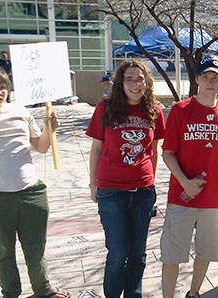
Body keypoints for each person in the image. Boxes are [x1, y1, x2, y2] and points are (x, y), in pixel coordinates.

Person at [0, 64, 70, 298]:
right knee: (3, 251)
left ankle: (42, 288)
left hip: (31, 191)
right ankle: (10, 292)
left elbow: (40, 147)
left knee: (35, 247)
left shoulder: (21, 112)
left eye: (2, 88)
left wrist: (47, 129)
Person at [86, 59, 165, 298]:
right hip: (112, 192)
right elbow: (96, 148)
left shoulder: (155, 111)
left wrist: (150, 181)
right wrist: (93, 183)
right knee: (117, 253)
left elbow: (153, 150)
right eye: (129, 79)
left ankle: (134, 294)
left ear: (147, 82)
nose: (135, 84)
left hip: (143, 192)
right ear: (120, 82)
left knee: (138, 253)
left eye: (139, 79)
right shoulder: (105, 107)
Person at [160, 55, 218, 298]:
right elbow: (168, 153)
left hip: (215, 199)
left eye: (215, 78)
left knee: (206, 251)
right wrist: (185, 182)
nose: (210, 82)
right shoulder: (180, 110)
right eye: (205, 77)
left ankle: (193, 293)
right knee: (172, 254)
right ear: (197, 79)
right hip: (182, 196)